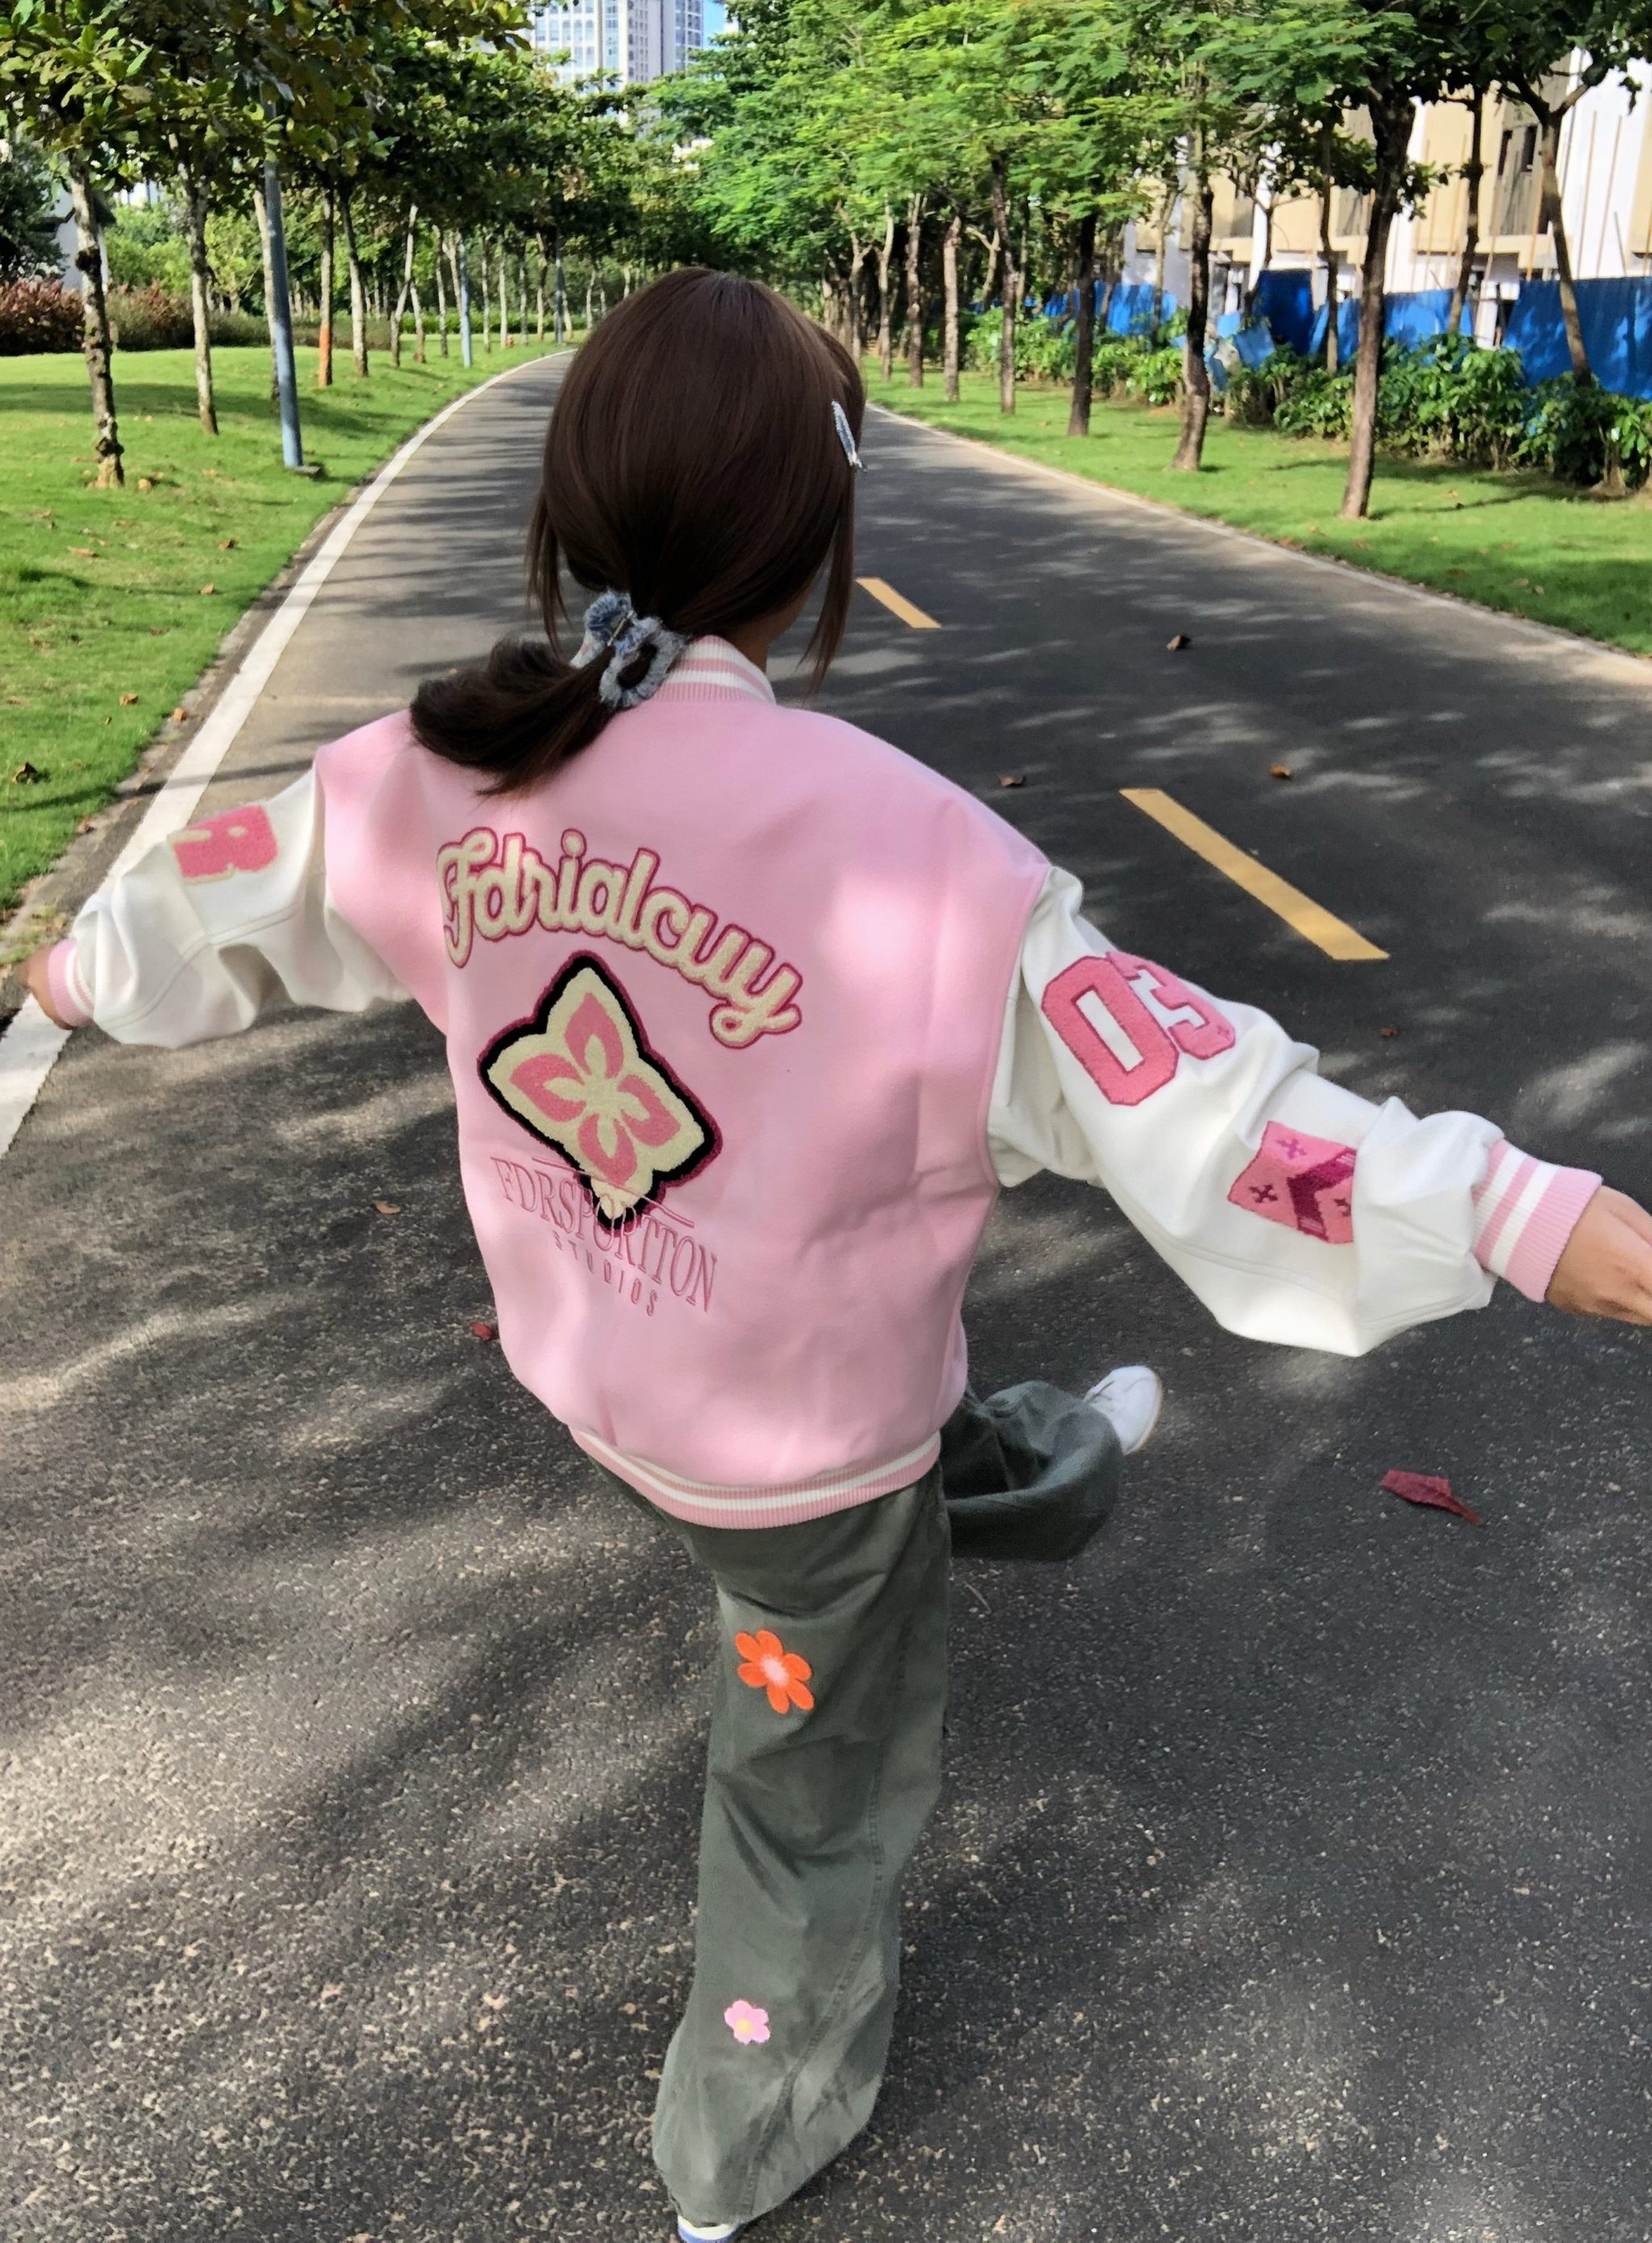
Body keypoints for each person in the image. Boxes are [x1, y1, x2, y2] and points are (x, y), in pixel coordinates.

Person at [22, 268, 1652, 2240]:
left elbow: (226, 888)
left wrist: (75, 972)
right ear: (820, 539)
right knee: (807, 1790)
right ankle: (737, 2137)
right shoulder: (923, 861)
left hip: (605, 1367)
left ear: (572, 511)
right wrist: (1522, 1214)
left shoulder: (442, 766)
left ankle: (1028, 1464)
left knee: (920, 1450)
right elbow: (1216, 1121)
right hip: (794, 1461)